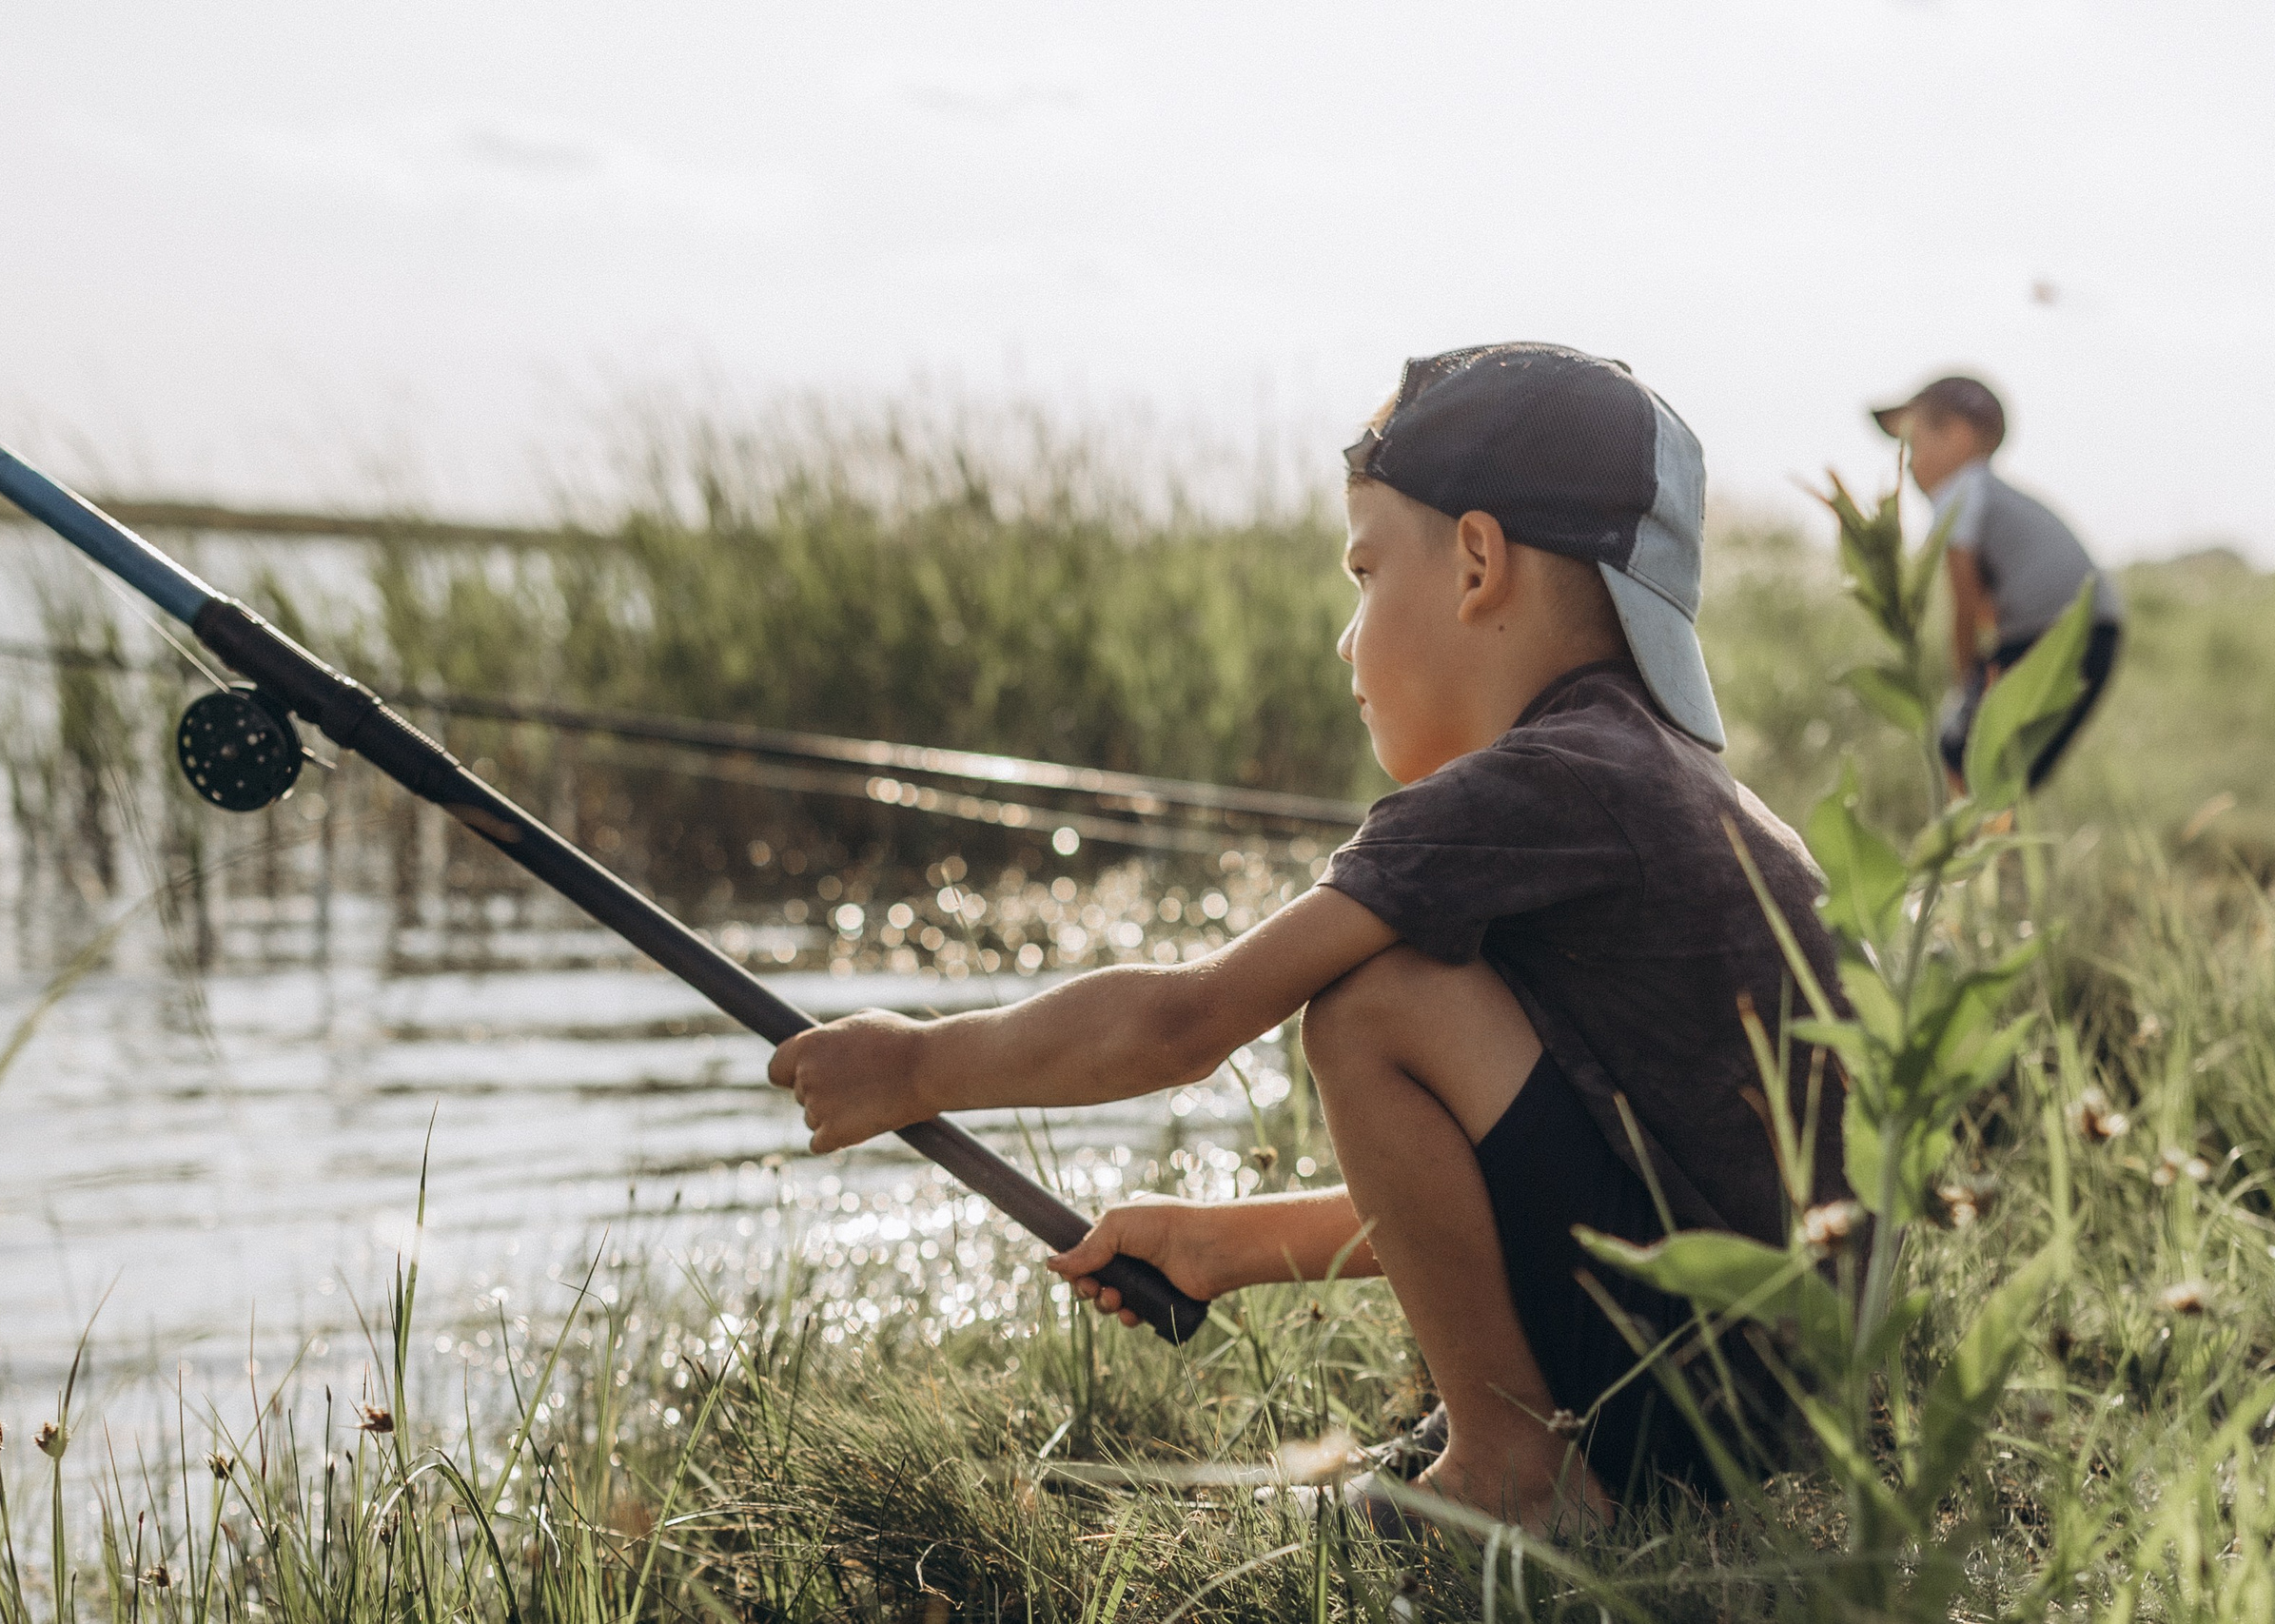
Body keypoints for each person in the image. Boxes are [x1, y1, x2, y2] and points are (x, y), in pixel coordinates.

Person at [769, 343, 1847, 1529]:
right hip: (1767, 1398)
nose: (1347, 638)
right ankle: (1507, 1454)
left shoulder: (1548, 781)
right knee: (1413, 990)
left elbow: (1188, 1023)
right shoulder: (1670, 781)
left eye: (1364, 570)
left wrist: (916, 1065)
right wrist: (1219, 1244)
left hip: (1685, 1398)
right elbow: (1534, 1198)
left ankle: (1513, 1477)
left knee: (1373, 1001)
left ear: (1478, 564)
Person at [1871, 375, 2122, 793]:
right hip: (2095, 629)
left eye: (1913, 446)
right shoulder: (1989, 494)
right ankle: (1997, 851)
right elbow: (1991, 605)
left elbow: (1965, 601)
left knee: (1962, 753)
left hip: (2056, 633)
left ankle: (1973, 849)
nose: (1909, 465)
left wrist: (1964, 682)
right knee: (2009, 773)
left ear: (1958, 435)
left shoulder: (1961, 492)